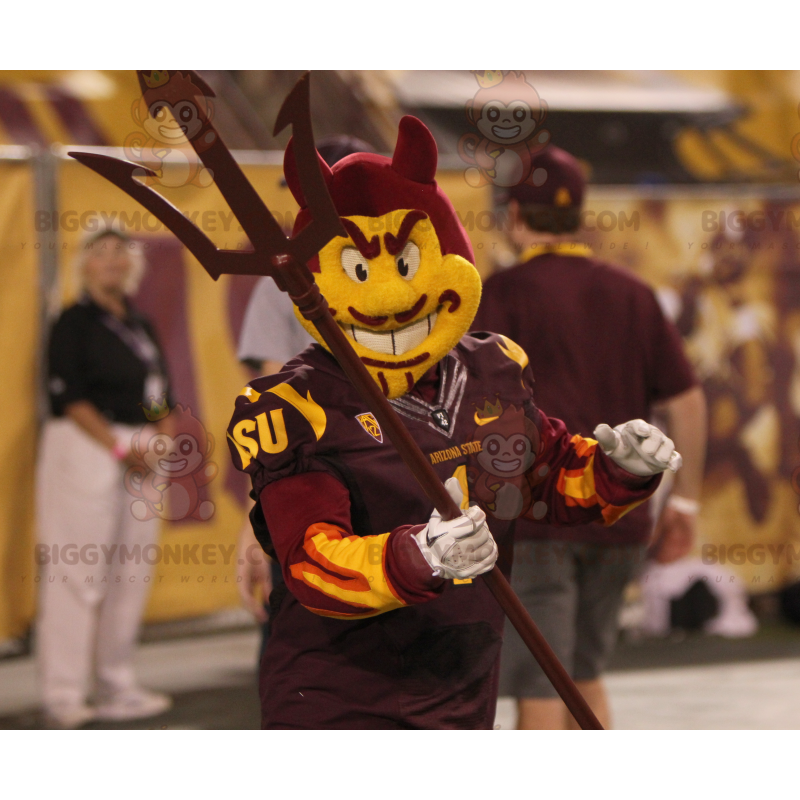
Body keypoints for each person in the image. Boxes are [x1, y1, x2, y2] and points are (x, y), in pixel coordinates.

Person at [226, 117, 682, 729]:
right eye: (361, 272)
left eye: (407, 265)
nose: (389, 299)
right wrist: (420, 555)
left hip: (462, 684)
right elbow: (313, 565)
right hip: (341, 698)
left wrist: (619, 469)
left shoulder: (493, 367)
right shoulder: (296, 407)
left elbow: (545, 481)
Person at [472, 145, 707, 729]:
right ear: (580, 213)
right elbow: (688, 402)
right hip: (620, 516)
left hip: (536, 518)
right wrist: (684, 501)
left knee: (543, 687)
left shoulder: (494, 296)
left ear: (514, 217)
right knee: (584, 674)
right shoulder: (633, 293)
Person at [236, 136, 376, 643]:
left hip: (318, 495)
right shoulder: (413, 265)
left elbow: (275, 414)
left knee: (311, 648)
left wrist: (257, 515)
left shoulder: (285, 279)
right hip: (393, 484)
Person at [36, 229, 173, 728]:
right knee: (77, 571)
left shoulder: (140, 324)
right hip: (87, 445)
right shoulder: (72, 322)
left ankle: (116, 683)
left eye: (121, 251)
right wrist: (118, 447)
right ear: (85, 263)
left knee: (129, 572)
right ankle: (64, 694)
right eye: (101, 252)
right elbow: (70, 397)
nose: (112, 260)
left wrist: (162, 439)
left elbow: (160, 397)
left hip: (141, 445)